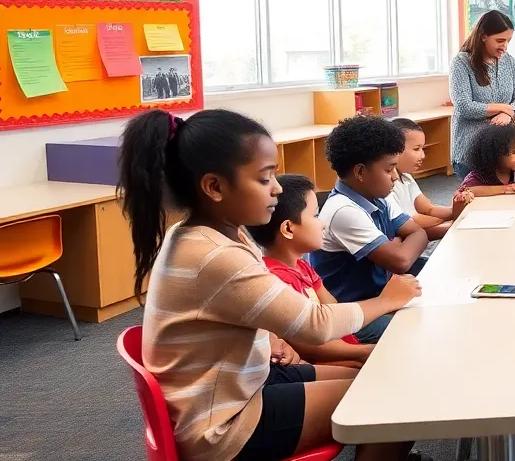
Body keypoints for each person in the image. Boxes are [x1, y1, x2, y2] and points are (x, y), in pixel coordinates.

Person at [118, 108, 420, 461]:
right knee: (394, 396)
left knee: (372, 369)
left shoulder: (208, 234)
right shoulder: (215, 255)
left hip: (242, 385)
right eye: (264, 179)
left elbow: (241, 306)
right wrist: (386, 301)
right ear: (214, 187)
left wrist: (272, 337)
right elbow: (315, 325)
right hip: (225, 423)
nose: (277, 188)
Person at [311, 115, 430, 344]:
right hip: (355, 313)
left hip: (380, 296)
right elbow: (401, 261)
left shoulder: (378, 196)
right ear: (360, 173)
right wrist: (399, 248)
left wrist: (401, 247)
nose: (396, 177)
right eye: (389, 170)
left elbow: (419, 232)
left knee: (432, 278)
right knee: (412, 331)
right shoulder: (343, 210)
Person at [247, 174, 377, 369]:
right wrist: (365, 352)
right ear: (288, 229)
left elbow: (332, 308)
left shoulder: (301, 265)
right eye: (315, 216)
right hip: (328, 363)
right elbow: (309, 346)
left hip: (345, 347)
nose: (322, 224)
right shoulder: (277, 280)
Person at [450, 10, 515, 176]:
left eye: (508, 41)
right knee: (478, 198)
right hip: (471, 151)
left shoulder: (509, 61)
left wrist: (510, 114)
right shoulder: (461, 62)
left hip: (504, 152)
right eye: (499, 41)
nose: (504, 46)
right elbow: (464, 106)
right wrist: (504, 107)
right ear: (483, 36)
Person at [389, 117, 470, 246]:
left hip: (416, 235)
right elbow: (413, 223)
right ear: (394, 150)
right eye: (416, 149)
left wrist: (460, 208)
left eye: (422, 149)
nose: (423, 156)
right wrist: (455, 219)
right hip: (406, 241)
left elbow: (428, 209)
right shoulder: (387, 185)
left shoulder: (406, 177)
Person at [457, 121, 515, 197]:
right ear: (496, 153)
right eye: (514, 151)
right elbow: (464, 191)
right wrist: (506, 189)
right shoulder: (481, 175)